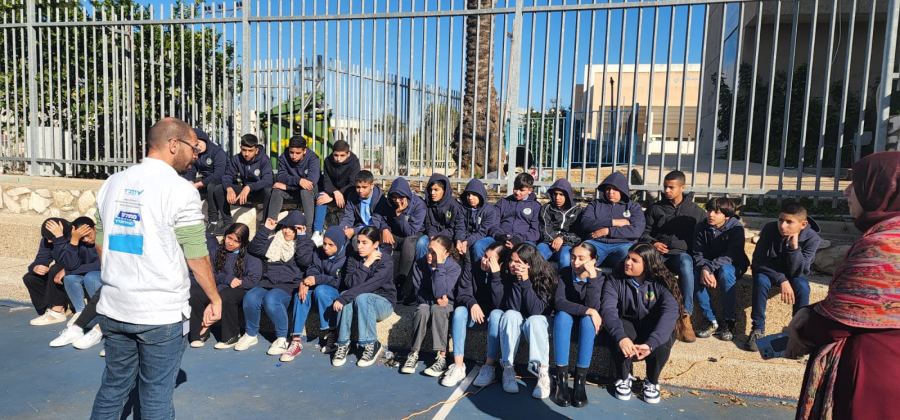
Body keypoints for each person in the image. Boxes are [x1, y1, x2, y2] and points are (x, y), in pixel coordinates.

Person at [90, 118, 222, 419]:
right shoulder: (181, 190)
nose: (196, 155)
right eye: (193, 147)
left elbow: (100, 242)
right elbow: (196, 254)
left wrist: (120, 276)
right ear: (174, 144)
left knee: (113, 388)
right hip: (161, 314)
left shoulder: (112, 183)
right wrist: (214, 298)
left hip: (114, 306)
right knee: (156, 396)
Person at [786, 151, 900, 420]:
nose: (847, 192)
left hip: (873, 377)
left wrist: (802, 327)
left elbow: (841, 320)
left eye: (856, 184)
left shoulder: (883, 246)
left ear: (879, 189)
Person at [602, 243, 681, 404]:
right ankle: (623, 377)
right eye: (627, 258)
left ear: (648, 264)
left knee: (664, 338)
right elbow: (608, 310)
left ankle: (652, 381)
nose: (627, 262)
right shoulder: (615, 279)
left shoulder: (663, 282)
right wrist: (621, 337)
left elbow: (670, 313)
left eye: (634, 260)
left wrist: (651, 343)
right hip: (627, 322)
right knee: (618, 332)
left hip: (652, 324)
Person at [641, 170, 706, 342]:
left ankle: (685, 315)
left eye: (671, 187)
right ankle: (646, 313)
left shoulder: (695, 212)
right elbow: (644, 232)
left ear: (682, 187)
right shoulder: (655, 208)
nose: (667, 191)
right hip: (658, 254)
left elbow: (702, 238)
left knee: (686, 263)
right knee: (646, 266)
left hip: (680, 256)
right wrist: (653, 243)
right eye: (665, 187)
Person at [236, 210, 314, 354]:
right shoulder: (274, 240)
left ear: (301, 229)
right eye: (285, 227)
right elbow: (253, 249)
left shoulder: (306, 243)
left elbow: (305, 261)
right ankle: (251, 334)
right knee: (251, 297)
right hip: (267, 282)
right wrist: (266, 229)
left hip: (289, 285)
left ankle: (282, 339)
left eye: (293, 229)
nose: (287, 231)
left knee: (272, 299)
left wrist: (302, 237)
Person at [746, 201, 820, 352]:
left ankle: (797, 333)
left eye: (789, 222)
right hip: (769, 271)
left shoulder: (812, 238)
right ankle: (757, 329)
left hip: (794, 274)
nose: (783, 225)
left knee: (803, 287)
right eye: (780, 220)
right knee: (760, 280)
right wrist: (782, 280)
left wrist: (794, 249)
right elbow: (758, 261)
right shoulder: (769, 229)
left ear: (803, 224)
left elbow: (800, 271)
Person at [488, 243, 557, 399]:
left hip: (540, 320)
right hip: (518, 318)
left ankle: (543, 372)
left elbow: (536, 310)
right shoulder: (509, 274)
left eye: (517, 262)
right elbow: (508, 306)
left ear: (529, 264)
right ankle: (508, 368)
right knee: (510, 315)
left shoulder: (546, 275)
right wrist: (512, 279)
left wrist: (525, 281)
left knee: (534, 320)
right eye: (511, 260)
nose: (512, 265)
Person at [188, 223, 263, 349]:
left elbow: (253, 279)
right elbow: (209, 272)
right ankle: (199, 333)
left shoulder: (250, 255)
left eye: (236, 241)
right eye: (229, 238)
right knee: (195, 292)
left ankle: (231, 336)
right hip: (219, 285)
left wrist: (230, 284)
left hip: (240, 289)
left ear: (243, 242)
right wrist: (227, 279)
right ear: (225, 236)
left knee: (226, 296)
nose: (231, 243)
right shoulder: (216, 251)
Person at [331, 226, 397, 368]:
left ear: (376, 244)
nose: (359, 246)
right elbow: (350, 284)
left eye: (364, 243)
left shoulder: (386, 261)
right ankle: (343, 344)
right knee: (346, 294)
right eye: (358, 242)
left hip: (383, 303)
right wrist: (366, 264)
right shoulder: (354, 258)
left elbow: (371, 285)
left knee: (358, 297)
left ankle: (371, 344)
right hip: (359, 301)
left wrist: (344, 297)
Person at [281, 226, 348, 362]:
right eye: (324, 243)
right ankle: (295, 340)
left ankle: (332, 333)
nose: (326, 247)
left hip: (336, 292)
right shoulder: (319, 252)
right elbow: (313, 268)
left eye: (331, 245)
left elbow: (340, 281)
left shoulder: (346, 258)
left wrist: (317, 279)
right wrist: (306, 281)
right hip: (318, 286)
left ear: (339, 244)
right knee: (300, 294)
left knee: (321, 290)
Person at [401, 235, 462, 378]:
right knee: (422, 309)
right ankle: (414, 352)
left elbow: (441, 292)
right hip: (427, 301)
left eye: (434, 253)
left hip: (447, 305)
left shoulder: (454, 267)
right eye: (429, 250)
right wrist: (434, 301)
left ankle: (442, 356)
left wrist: (439, 267)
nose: (429, 255)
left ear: (446, 254)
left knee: (438, 309)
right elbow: (419, 292)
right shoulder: (420, 264)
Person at [552, 242, 603, 407]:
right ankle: (561, 381)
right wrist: (588, 310)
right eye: (573, 257)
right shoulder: (564, 273)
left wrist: (592, 278)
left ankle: (580, 382)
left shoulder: (600, 278)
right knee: (562, 317)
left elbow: (594, 305)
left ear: (593, 260)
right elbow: (559, 302)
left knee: (589, 322)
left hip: (584, 320)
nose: (575, 262)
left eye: (581, 258)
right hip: (567, 316)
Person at [692, 197, 749, 341]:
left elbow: (731, 255)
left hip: (733, 264)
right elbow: (698, 253)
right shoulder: (701, 227)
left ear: (726, 216)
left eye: (716, 212)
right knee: (693, 275)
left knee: (725, 272)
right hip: (708, 265)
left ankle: (729, 321)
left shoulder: (736, 228)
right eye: (709, 210)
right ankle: (711, 320)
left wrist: (709, 267)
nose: (711, 214)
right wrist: (705, 268)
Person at [448, 242, 500, 388]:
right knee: (459, 311)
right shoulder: (472, 267)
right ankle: (459, 365)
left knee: (496, 315)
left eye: (489, 259)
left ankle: (489, 366)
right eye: (484, 256)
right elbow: (462, 293)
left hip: (491, 318)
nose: (484, 260)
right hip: (473, 314)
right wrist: (472, 303)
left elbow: (500, 304)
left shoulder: (504, 274)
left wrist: (495, 276)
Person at [373, 176, 426, 304]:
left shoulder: (419, 205)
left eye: (401, 197)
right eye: (394, 197)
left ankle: (401, 284)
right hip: (395, 234)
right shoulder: (388, 202)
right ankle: (381, 281)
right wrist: (385, 229)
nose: (397, 201)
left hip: (414, 234)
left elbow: (410, 231)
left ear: (407, 195)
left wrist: (399, 214)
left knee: (409, 243)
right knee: (383, 242)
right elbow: (380, 218)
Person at [578, 172, 645, 268]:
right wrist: (613, 222)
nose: (610, 192)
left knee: (628, 256)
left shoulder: (633, 207)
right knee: (581, 254)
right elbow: (585, 223)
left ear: (622, 190)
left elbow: (636, 230)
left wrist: (608, 231)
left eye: (615, 189)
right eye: (608, 189)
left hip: (623, 244)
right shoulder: (595, 204)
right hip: (596, 243)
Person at [472, 173, 541, 259]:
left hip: (524, 241)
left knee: (527, 253)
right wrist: (500, 236)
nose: (517, 192)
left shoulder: (536, 206)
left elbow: (535, 232)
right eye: (515, 188)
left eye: (521, 190)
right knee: (479, 245)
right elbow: (493, 223)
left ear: (530, 190)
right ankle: (481, 267)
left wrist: (518, 239)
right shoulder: (503, 202)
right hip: (500, 239)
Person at [23, 218, 72, 326]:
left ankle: (57, 311)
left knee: (56, 268)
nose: (49, 241)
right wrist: (36, 267)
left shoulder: (74, 236)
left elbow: (69, 262)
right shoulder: (48, 239)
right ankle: (47, 310)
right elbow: (41, 259)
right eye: (46, 238)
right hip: (60, 273)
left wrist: (59, 238)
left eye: (51, 238)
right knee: (30, 278)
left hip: (76, 272)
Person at [181, 128, 229, 235]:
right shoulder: (196, 153)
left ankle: (213, 220)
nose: (198, 146)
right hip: (206, 182)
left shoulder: (217, 152)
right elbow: (191, 170)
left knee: (212, 187)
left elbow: (219, 174)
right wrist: (189, 182)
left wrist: (199, 184)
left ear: (205, 140)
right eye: (195, 145)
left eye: (199, 143)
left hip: (221, 182)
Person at [55, 216, 101, 324]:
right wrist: (74, 240)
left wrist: (68, 270)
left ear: (94, 228)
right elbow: (70, 265)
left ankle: (98, 314)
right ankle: (81, 313)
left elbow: (100, 264)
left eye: (89, 235)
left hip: (102, 273)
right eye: (82, 237)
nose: (86, 240)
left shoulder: (102, 239)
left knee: (90, 277)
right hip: (87, 272)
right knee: (70, 278)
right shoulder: (79, 242)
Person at [268, 135, 320, 229]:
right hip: (292, 191)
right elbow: (281, 176)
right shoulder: (283, 157)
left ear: (304, 151)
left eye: (298, 153)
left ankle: (308, 229)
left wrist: (287, 187)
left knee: (305, 191)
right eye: (291, 152)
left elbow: (311, 182)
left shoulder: (313, 158)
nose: (294, 156)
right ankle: (269, 226)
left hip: (308, 193)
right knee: (276, 191)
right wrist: (298, 180)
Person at [314, 140, 361, 243]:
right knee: (321, 198)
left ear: (348, 154)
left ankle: (342, 233)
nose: (338, 159)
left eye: (342, 155)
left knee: (352, 196)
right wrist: (334, 192)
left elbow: (353, 183)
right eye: (335, 155)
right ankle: (317, 232)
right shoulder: (328, 161)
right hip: (332, 191)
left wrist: (335, 195)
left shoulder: (354, 162)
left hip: (348, 192)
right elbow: (327, 181)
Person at [221, 133, 274, 219]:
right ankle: (226, 221)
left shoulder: (264, 159)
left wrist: (249, 187)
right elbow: (227, 176)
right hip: (244, 191)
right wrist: (229, 188)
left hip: (258, 191)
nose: (246, 154)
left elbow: (268, 181)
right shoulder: (236, 159)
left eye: (250, 151)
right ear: (240, 148)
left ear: (256, 150)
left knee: (268, 191)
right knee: (219, 188)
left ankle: (265, 222)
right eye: (244, 150)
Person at [537, 178, 583, 269]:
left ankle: (564, 278)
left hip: (567, 244)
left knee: (565, 257)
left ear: (568, 195)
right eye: (555, 194)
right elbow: (544, 229)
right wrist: (554, 240)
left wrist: (562, 238)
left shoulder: (577, 210)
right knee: (538, 255)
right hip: (547, 243)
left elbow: (578, 233)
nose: (557, 198)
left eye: (561, 194)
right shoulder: (547, 208)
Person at [416, 174, 462, 260]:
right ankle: (421, 267)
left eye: (436, 190)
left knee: (440, 248)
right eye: (431, 190)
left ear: (444, 190)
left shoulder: (454, 206)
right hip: (432, 235)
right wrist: (432, 235)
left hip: (448, 237)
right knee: (421, 242)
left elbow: (454, 227)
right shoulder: (428, 204)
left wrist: (438, 237)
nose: (432, 193)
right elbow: (428, 223)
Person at [453, 178, 498, 257]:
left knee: (477, 246)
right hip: (467, 237)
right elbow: (460, 226)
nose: (470, 197)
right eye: (468, 194)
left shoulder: (490, 211)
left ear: (480, 195)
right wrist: (459, 240)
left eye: (474, 195)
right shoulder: (462, 208)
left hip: (486, 237)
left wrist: (467, 242)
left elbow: (483, 232)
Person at [339, 170, 383, 239]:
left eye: (364, 187)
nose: (360, 190)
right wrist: (342, 229)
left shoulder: (379, 199)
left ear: (372, 186)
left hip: (375, 231)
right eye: (358, 187)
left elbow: (376, 224)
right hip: (358, 228)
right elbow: (348, 217)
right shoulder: (352, 197)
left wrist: (354, 231)